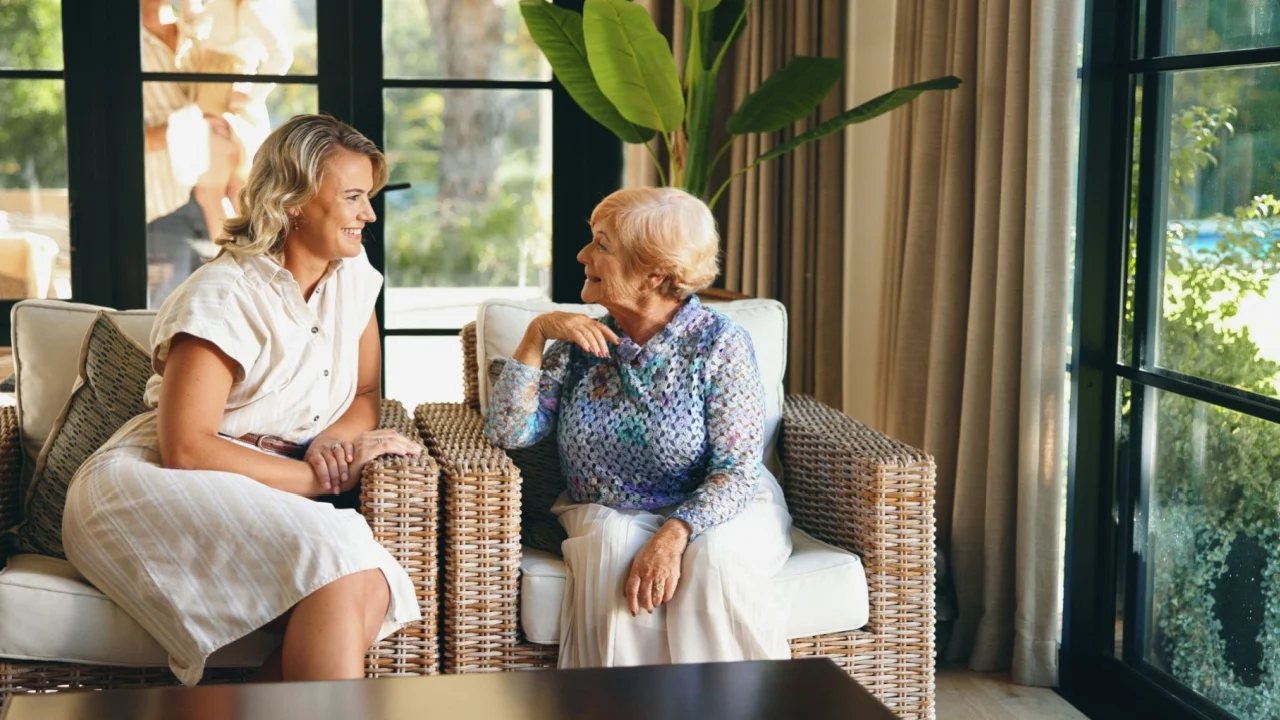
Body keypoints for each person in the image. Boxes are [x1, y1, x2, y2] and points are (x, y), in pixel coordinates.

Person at [62, 114, 422, 685]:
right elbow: (184, 446)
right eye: (353, 197)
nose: (369, 215)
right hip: (149, 482)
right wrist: (316, 478)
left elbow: (365, 391)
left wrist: (332, 439)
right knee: (342, 549)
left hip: (248, 478)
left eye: (368, 197)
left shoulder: (353, 279)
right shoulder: (225, 294)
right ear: (296, 201)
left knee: (372, 584)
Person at [483, 186, 794, 667]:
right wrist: (536, 335)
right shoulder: (581, 343)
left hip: (721, 506)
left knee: (713, 563)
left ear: (654, 274)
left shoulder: (718, 346)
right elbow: (509, 433)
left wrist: (677, 532)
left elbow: (735, 469)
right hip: (607, 509)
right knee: (611, 554)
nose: (583, 254)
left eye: (602, 245)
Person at [141, 0, 240, 307]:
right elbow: (121, 139)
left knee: (228, 302)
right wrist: (189, 125)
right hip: (163, 204)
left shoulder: (201, 32)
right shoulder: (120, 47)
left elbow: (233, 101)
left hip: (219, 192)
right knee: (165, 312)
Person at [179, 0, 294, 244]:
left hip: (225, 104)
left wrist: (251, 94)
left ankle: (238, 261)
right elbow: (194, 22)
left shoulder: (248, 9)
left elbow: (281, 54)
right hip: (209, 101)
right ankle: (243, 260)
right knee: (229, 194)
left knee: (223, 193)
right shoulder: (221, 4)